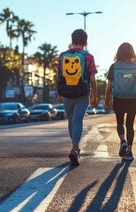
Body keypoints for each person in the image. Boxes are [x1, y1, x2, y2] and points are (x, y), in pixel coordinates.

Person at [56, 29, 98, 166]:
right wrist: (94, 96)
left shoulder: (62, 55)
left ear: (72, 41)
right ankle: (75, 150)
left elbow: (58, 76)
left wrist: (58, 93)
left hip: (67, 93)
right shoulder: (89, 57)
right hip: (82, 93)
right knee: (78, 120)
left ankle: (75, 147)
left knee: (71, 121)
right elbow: (92, 78)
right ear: (86, 42)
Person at [105, 42, 136, 161]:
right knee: (130, 125)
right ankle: (129, 151)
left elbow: (109, 87)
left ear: (118, 53)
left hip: (118, 99)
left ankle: (122, 141)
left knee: (120, 123)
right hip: (133, 100)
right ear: (132, 53)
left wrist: (107, 98)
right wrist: (133, 92)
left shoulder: (114, 67)